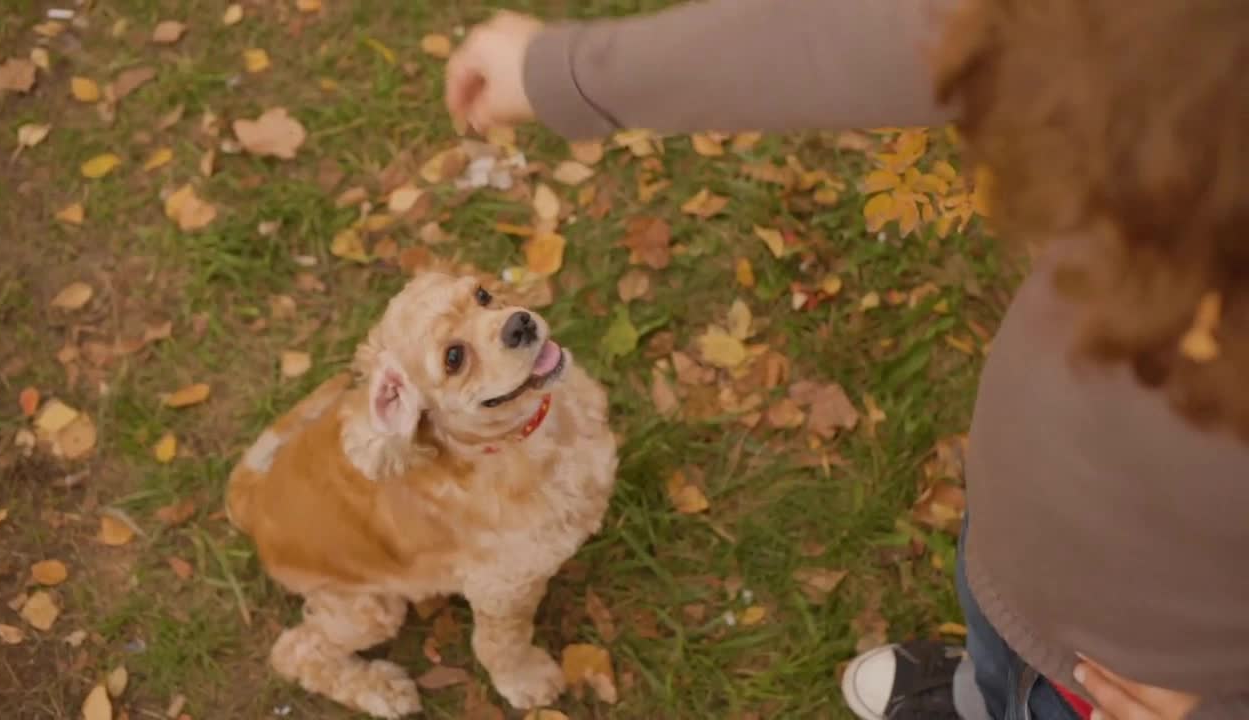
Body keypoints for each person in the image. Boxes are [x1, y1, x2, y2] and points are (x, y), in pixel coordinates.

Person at [443, 1, 1249, 719]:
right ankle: (984, 690)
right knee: (996, 654)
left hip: (1131, 681)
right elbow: (945, 30)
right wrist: (570, 73)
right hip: (1023, 527)